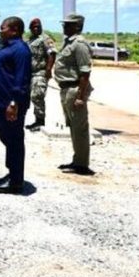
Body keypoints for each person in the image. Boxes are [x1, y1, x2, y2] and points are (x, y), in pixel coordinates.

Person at [0, 17, 32, 195]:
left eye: (2, 28)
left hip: (10, 104)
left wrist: (13, 102)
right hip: (1, 102)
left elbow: (21, 78)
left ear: (14, 30)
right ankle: (12, 174)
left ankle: (16, 181)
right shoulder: (9, 47)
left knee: (14, 140)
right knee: (8, 139)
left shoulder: (20, 50)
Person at [53, 13, 94, 176]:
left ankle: (82, 165)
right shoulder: (68, 42)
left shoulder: (80, 44)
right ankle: (77, 160)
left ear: (77, 26)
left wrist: (80, 97)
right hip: (65, 89)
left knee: (80, 128)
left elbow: (85, 73)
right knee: (73, 127)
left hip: (75, 89)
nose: (64, 27)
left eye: (68, 25)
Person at [26, 18, 56, 130]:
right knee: (30, 96)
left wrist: (48, 69)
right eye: (34, 27)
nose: (36, 28)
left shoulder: (45, 39)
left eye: (38, 26)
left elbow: (52, 54)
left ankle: (40, 121)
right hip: (30, 73)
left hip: (41, 72)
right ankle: (36, 120)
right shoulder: (30, 40)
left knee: (37, 95)